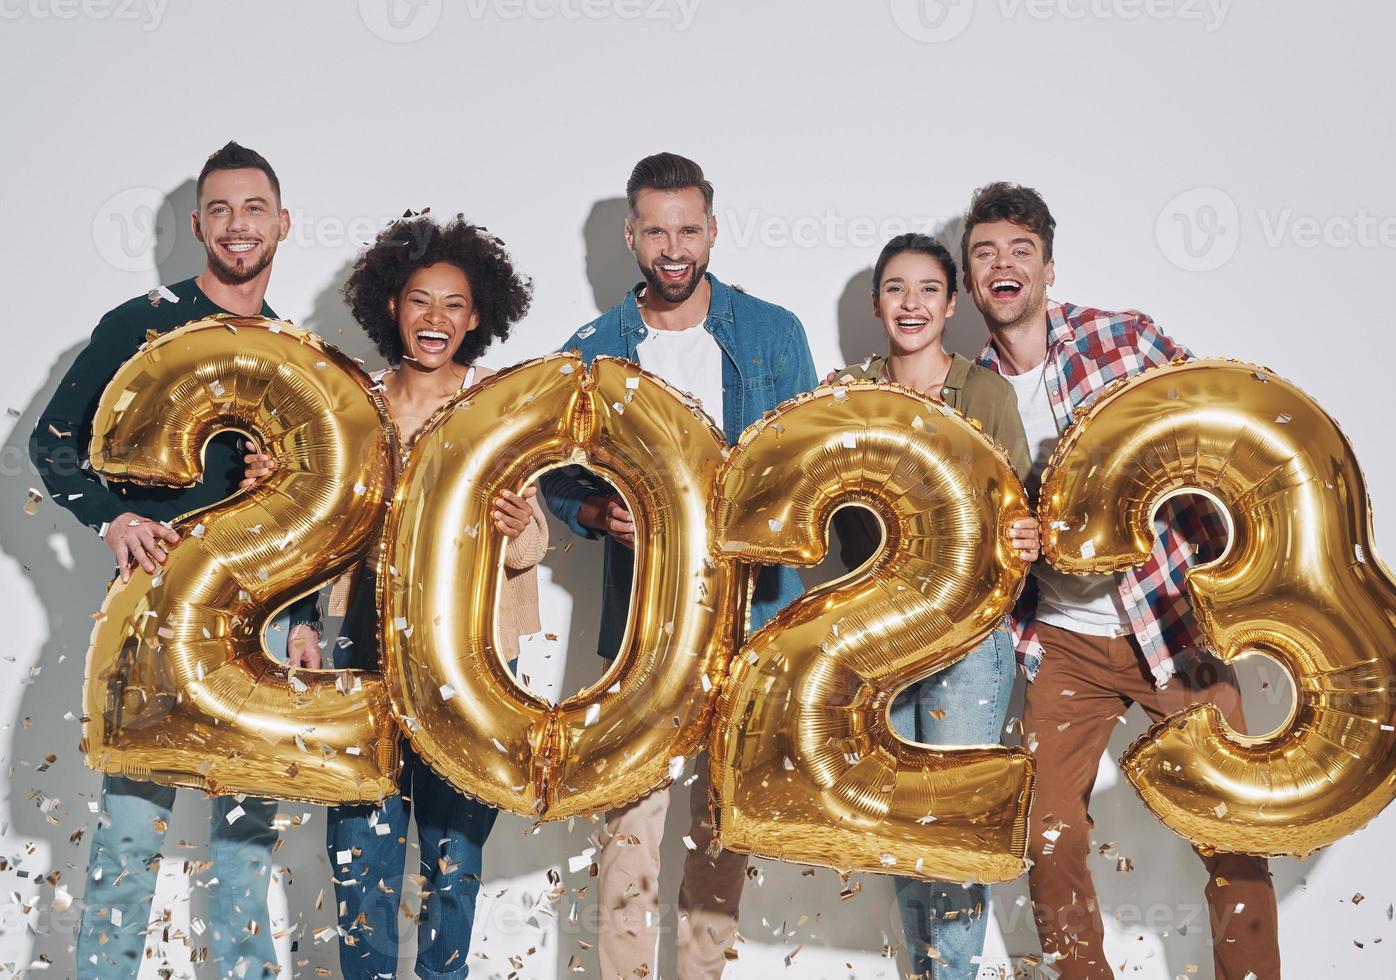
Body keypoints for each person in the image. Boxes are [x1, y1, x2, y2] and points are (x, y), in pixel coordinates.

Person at [961, 182, 1281, 979]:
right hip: (1062, 644)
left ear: (1047, 268)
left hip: (1169, 622)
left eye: (1018, 250)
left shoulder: (1122, 342)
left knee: (1230, 823)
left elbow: (1215, 437)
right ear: (970, 278)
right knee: (1046, 833)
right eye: (984, 252)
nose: (1002, 265)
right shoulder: (967, 394)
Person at [29, 141, 311, 979]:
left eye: (253, 208)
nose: (238, 225)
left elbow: (305, 515)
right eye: (220, 209)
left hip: (253, 627)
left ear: (283, 224)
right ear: (197, 225)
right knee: (126, 834)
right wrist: (111, 517)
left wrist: (296, 621)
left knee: (245, 843)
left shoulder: (296, 352)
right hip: (150, 621)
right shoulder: (139, 322)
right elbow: (51, 443)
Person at [242, 214, 543, 979]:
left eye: (452, 305)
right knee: (360, 850)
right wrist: (303, 621)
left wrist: (516, 524)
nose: (434, 319)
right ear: (391, 306)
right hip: (359, 644)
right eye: (419, 301)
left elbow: (535, 539)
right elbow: (317, 531)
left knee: (454, 851)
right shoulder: (353, 402)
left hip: (468, 656)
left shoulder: (502, 405)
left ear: (477, 317)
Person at [540, 152, 817, 980]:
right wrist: (594, 512)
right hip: (639, 634)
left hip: (748, 618)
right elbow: (551, 475)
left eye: (687, 229)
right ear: (630, 234)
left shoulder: (772, 333)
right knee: (628, 831)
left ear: (712, 231)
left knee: (722, 827)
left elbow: (802, 471)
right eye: (655, 230)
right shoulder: (590, 351)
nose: (672, 247)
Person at [827, 232, 1039, 979]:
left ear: (951, 304)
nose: (910, 304)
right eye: (895, 289)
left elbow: (1016, 513)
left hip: (966, 639)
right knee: (894, 820)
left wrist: (1023, 533)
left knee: (949, 825)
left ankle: (953, 974)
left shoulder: (984, 394)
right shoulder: (847, 392)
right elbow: (837, 527)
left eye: (926, 290)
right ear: (874, 302)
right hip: (876, 636)